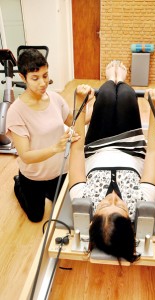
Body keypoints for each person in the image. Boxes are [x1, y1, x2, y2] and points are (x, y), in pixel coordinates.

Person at [69, 61, 155, 263]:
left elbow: (75, 150)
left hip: (97, 144)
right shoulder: (142, 202)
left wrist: (81, 104)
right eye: (119, 204)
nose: (111, 198)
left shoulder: (81, 198)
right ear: (130, 220)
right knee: (127, 93)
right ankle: (121, 79)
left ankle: (113, 76)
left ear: (92, 219)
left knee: (108, 93)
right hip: (131, 145)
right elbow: (154, 152)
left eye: (103, 205)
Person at [6, 48, 81, 222]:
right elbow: (25, 156)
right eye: (35, 78)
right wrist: (56, 147)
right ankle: (18, 184)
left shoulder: (55, 98)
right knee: (36, 217)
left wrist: (92, 102)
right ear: (23, 78)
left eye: (45, 76)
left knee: (65, 211)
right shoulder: (16, 112)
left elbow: (73, 121)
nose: (43, 83)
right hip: (34, 176)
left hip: (60, 172)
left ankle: (49, 190)